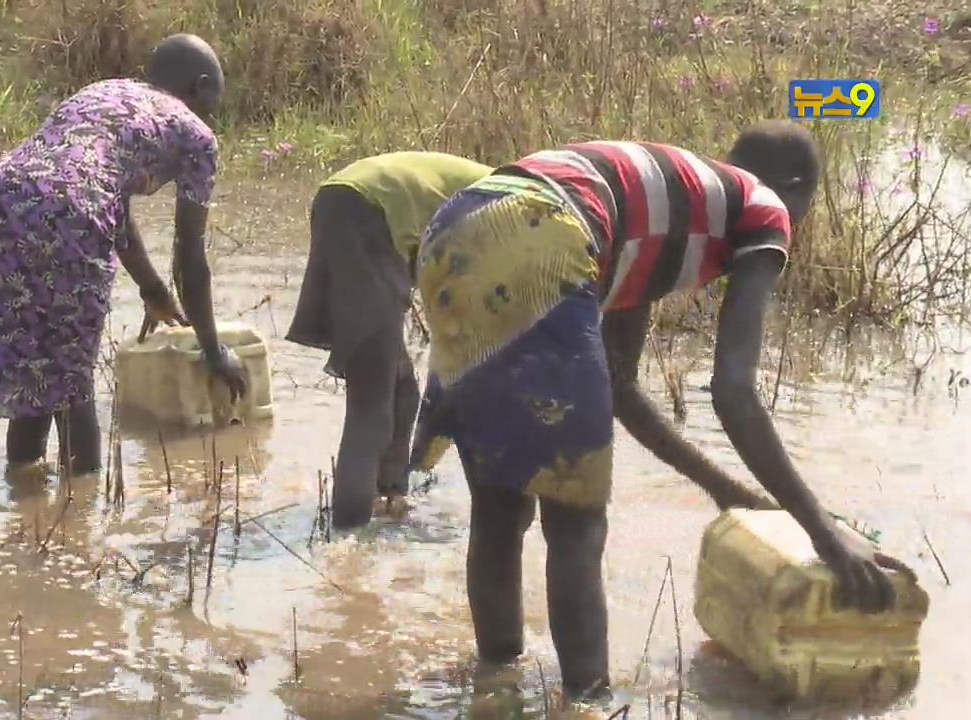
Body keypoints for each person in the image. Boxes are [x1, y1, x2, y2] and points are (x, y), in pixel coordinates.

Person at [407, 121, 913, 701]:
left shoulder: (663, 212)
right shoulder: (764, 206)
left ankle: (496, 686)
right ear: (795, 189)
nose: (795, 230)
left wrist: (730, 491)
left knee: (499, 508)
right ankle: (589, 704)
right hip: (542, 232)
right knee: (576, 523)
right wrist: (822, 531)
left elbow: (621, 388)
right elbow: (733, 392)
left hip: (454, 229)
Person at [0, 34, 247, 481]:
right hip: (70, 211)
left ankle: (25, 498)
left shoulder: (102, 93)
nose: (211, 116)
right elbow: (188, 255)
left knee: (35, 368)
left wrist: (153, 292)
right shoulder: (195, 135)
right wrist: (213, 350)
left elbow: (114, 214)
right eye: (213, 103)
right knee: (72, 383)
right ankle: (81, 518)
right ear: (201, 86)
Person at [285, 151, 493, 527]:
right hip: (371, 209)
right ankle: (350, 546)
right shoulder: (522, 219)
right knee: (370, 410)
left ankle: (389, 498)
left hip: (345, 196)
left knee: (401, 389)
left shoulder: (508, 204)